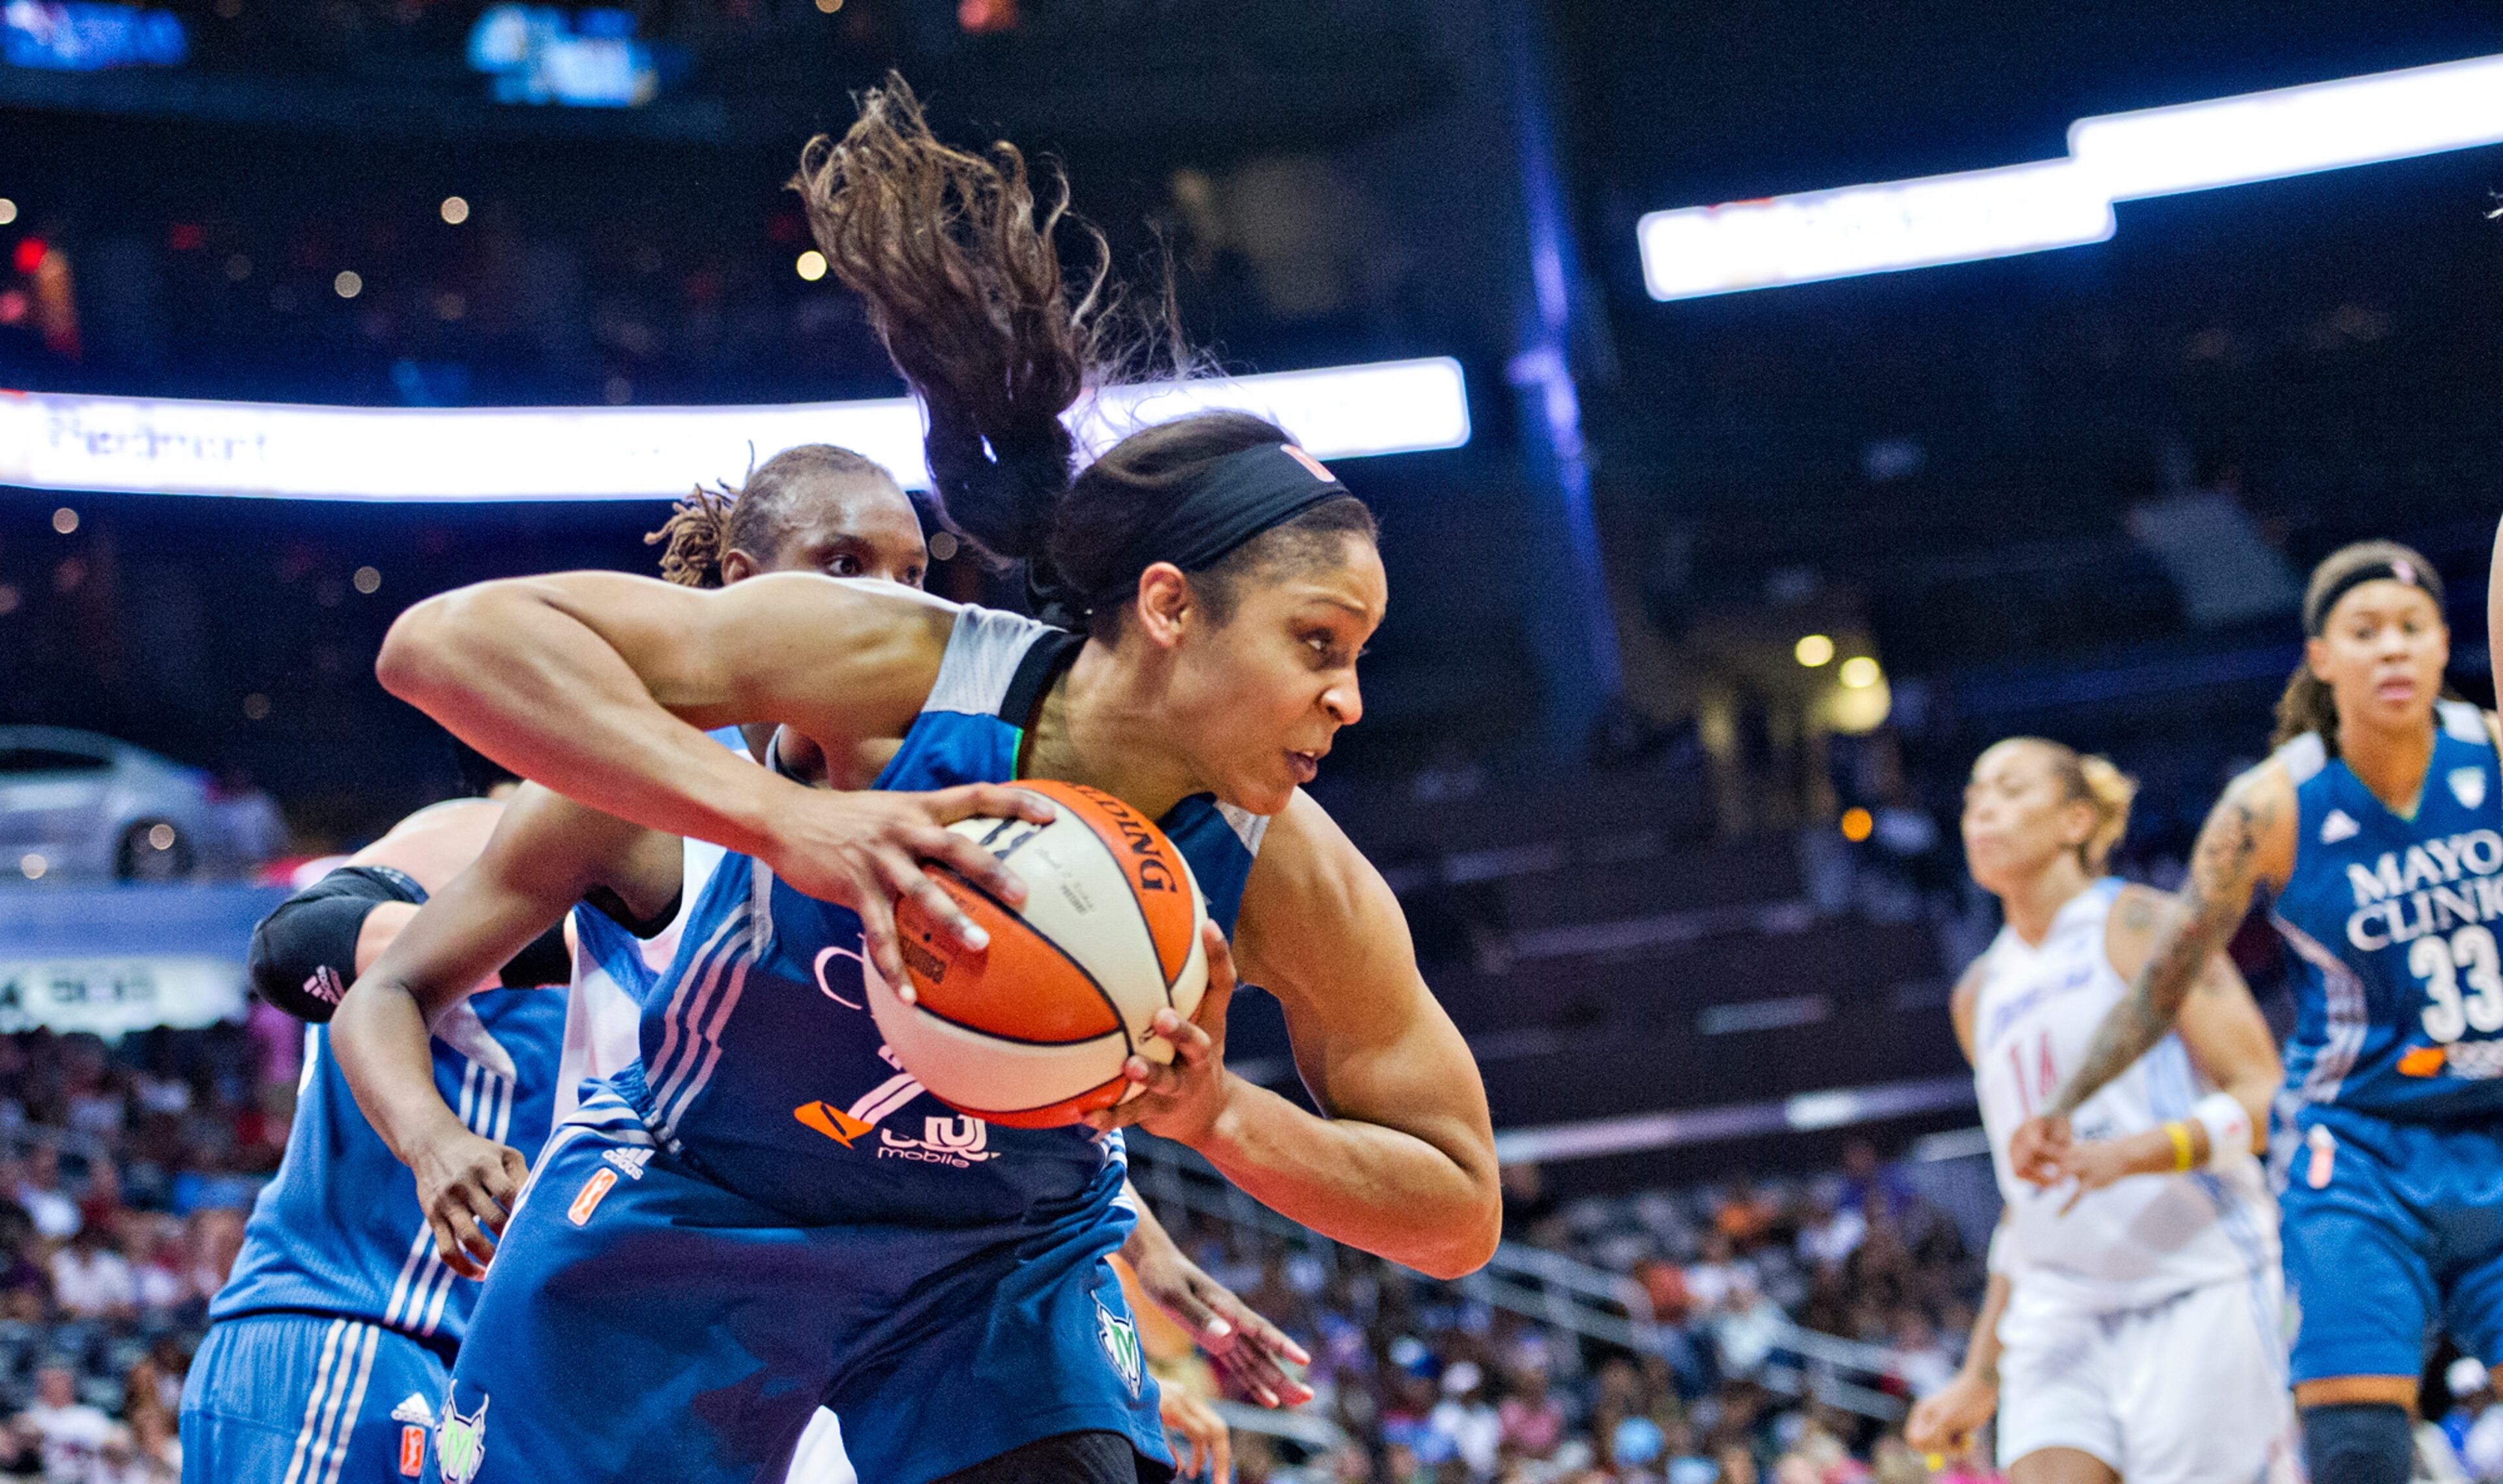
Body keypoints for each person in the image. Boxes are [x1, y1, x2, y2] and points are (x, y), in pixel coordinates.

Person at [343, 74, 1497, 1484]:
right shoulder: (904, 663)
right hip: (698, 1203)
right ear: (1171, 607)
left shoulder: (1289, 864)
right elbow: (444, 643)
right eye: (1318, 642)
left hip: (995, 1266)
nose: (1350, 697)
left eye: (1362, 654)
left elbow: (1456, 1210)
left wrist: (1218, 1117)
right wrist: (792, 822)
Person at [330, 445, 1302, 1480]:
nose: (885, 603)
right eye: (844, 568)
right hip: (673, 1237)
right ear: (748, 591)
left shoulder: (985, 792)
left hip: (922, 1284)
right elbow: (379, 986)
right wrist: (435, 1142)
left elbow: (1004, 1069)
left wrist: (1144, 1268)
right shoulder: (624, 788)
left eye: (910, 576)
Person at [2009, 541, 2503, 1484]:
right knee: (2357, 1448)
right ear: (2322, 657)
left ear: (2447, 643)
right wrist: (2069, 1098)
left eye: (2411, 630)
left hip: (2495, 1123)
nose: (2391, 651)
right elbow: (2164, 981)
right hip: (2357, 1151)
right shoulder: (2271, 805)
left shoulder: (2494, 758)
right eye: (2365, 634)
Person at [1905, 738, 2289, 1483]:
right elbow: (2027, 1205)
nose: (1983, 808)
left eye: (2011, 790)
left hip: (2196, 1281)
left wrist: (2134, 1154)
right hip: (2060, 1313)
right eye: (1973, 795)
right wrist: (1981, 1371)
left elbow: (2266, 1097)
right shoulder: (1977, 993)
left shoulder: (2143, 924)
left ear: (2077, 819)